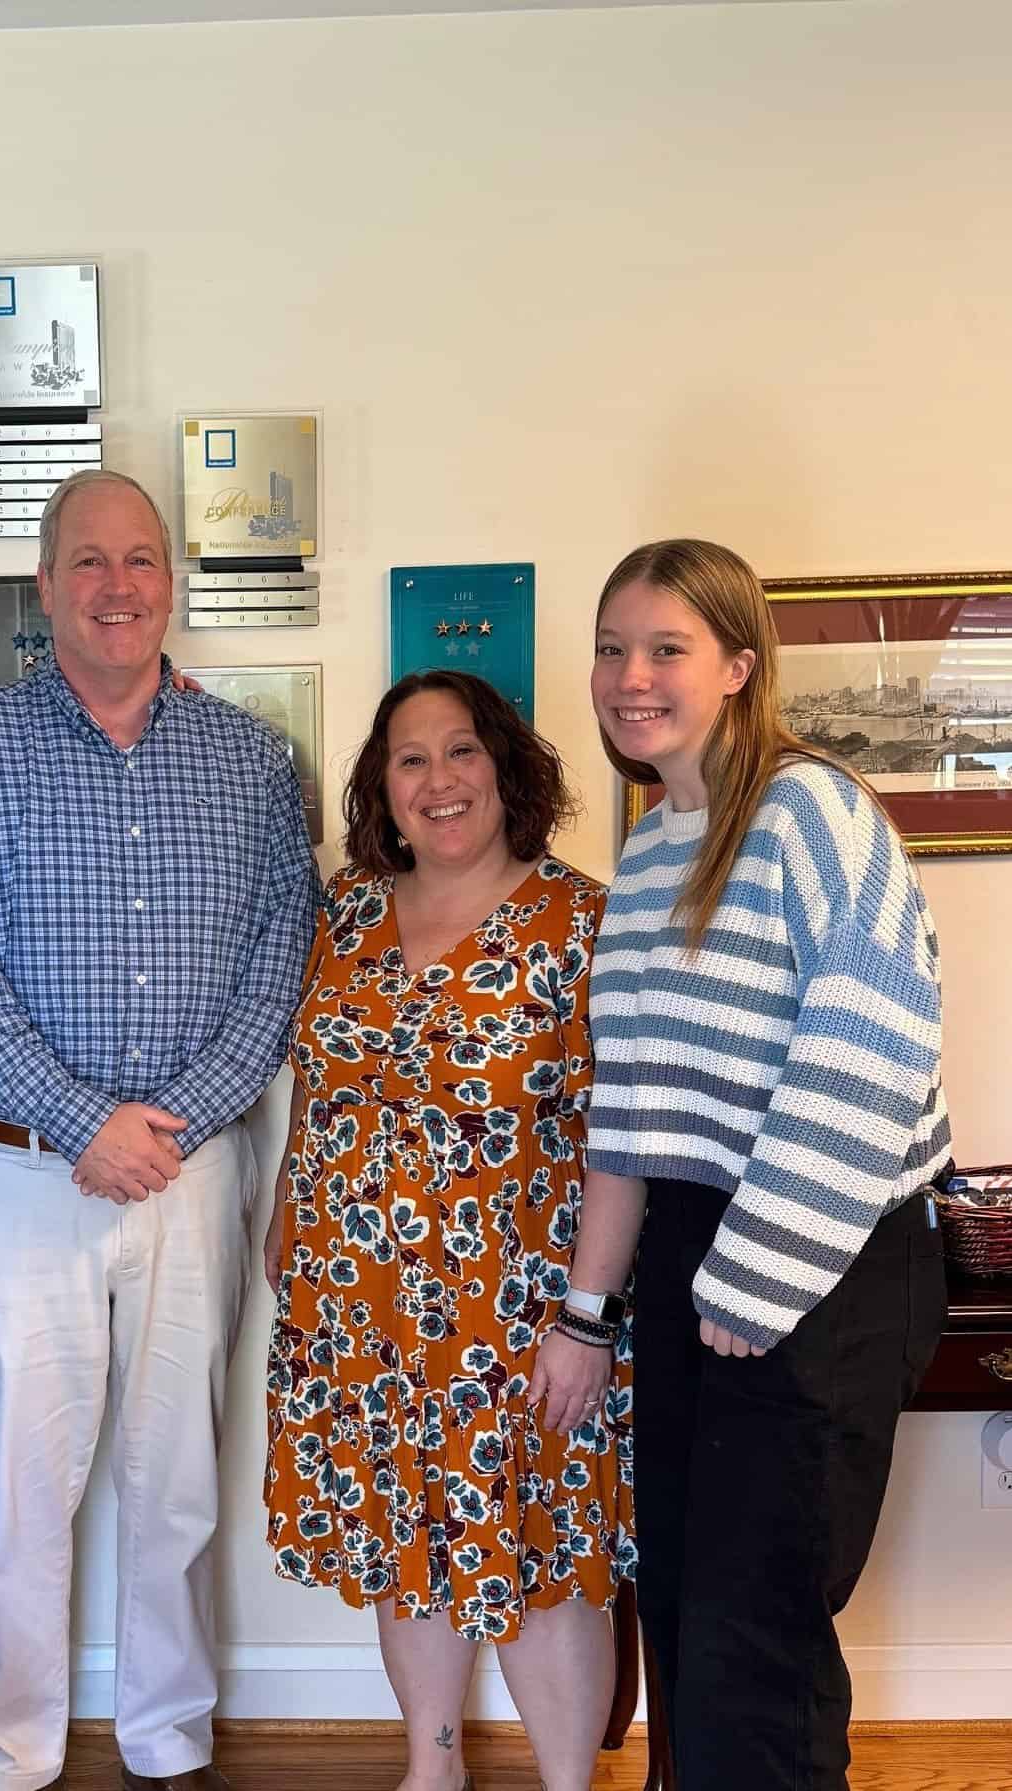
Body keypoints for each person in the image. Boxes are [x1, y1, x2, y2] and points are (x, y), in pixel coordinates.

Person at [0, 468, 319, 1791]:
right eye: (89, 560)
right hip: (14, 1172)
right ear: (44, 584)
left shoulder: (253, 761)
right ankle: (12, 1748)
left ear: (171, 580)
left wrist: (176, 1122)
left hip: (194, 1174)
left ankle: (165, 1732)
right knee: (21, 1493)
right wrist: (86, 1121)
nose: (118, 584)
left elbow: (278, 962)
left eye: (140, 559)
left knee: (172, 1482)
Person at [587, 539, 951, 1791]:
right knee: (689, 1608)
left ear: (740, 666)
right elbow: (628, 1109)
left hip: (821, 1258)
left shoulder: (811, 811)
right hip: (695, 1255)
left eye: (666, 648)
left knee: (760, 1642)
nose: (630, 676)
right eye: (611, 647)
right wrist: (595, 1308)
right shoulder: (645, 854)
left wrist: (752, 1281)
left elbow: (874, 1042)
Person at [263, 670, 637, 1791]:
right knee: (402, 1537)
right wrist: (290, 1200)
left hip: (516, 1309)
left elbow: (620, 1138)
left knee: (538, 1549)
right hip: (359, 1298)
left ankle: (567, 1782)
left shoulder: (583, 921)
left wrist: (587, 1317)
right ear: (382, 784)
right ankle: (432, 1767)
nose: (437, 779)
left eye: (460, 750)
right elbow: (317, 1083)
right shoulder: (348, 909)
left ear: (505, 766)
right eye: (409, 757)